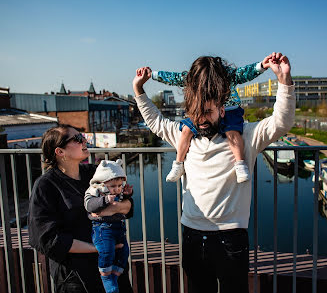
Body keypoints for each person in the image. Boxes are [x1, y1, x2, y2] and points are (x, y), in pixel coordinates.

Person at [132, 52, 294, 293]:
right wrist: (138, 90)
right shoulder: (183, 135)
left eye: (208, 112)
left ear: (222, 108)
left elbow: (281, 123)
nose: (202, 120)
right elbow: (156, 122)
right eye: (196, 114)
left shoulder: (245, 137)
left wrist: (284, 82)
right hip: (191, 237)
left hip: (230, 238)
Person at [28, 124, 133, 293]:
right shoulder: (46, 185)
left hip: (112, 265)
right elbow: (46, 239)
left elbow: (127, 206)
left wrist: (120, 205)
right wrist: (97, 247)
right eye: (77, 139)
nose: (84, 140)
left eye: (82, 136)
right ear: (60, 152)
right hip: (76, 274)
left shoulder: (94, 173)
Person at [150, 55, 274, 183]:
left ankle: (240, 164)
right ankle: (178, 164)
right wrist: (153, 74)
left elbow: (245, 73)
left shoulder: (227, 75)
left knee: (232, 132)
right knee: (186, 130)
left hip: (229, 109)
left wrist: (261, 66)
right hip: (204, 110)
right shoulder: (192, 77)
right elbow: (173, 78)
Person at [84, 159, 133, 293]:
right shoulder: (95, 191)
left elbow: (127, 204)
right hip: (102, 229)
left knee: (124, 252)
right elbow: (90, 206)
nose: (117, 189)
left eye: (119, 185)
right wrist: (104, 200)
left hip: (119, 229)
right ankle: (106, 277)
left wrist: (128, 194)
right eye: (113, 186)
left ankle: (115, 274)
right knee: (106, 252)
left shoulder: (117, 191)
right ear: (102, 184)